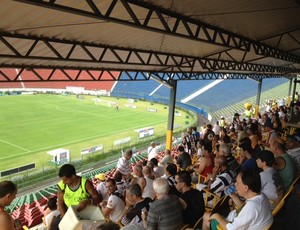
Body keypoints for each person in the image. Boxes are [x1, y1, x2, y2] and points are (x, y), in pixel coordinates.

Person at [202, 170, 273, 230]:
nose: (235, 184)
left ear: (246, 188)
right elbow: (244, 208)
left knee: (206, 216)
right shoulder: (261, 196)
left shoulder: (251, 207)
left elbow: (231, 228)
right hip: (242, 223)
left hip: (231, 226)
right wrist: (234, 196)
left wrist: (216, 216)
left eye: (238, 183)